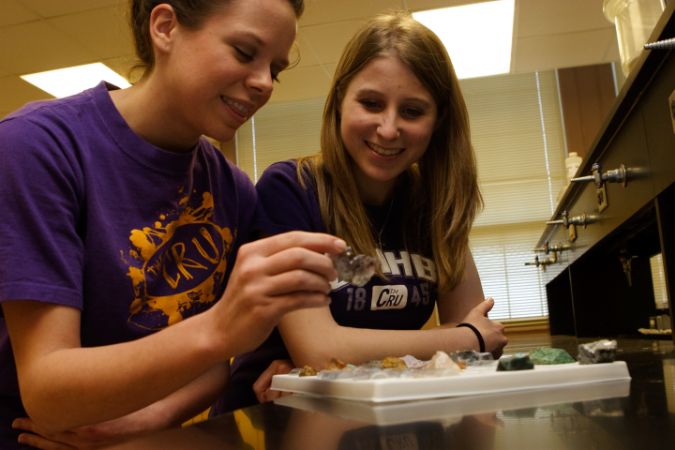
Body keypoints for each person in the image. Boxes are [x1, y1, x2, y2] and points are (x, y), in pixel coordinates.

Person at [0, 0, 348, 448]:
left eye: (275, 69)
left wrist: (143, 422)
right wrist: (223, 326)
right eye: (244, 52)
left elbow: (210, 368)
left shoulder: (232, 189)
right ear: (165, 27)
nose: (263, 83)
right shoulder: (37, 147)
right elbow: (48, 392)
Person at [222, 10, 509, 410]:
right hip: (275, 417)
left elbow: (475, 352)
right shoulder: (291, 188)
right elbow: (322, 350)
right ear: (340, 100)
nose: (388, 129)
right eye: (371, 103)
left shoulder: (435, 203)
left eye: (412, 111)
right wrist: (460, 338)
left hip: (383, 413)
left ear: (438, 121)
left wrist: (343, 364)